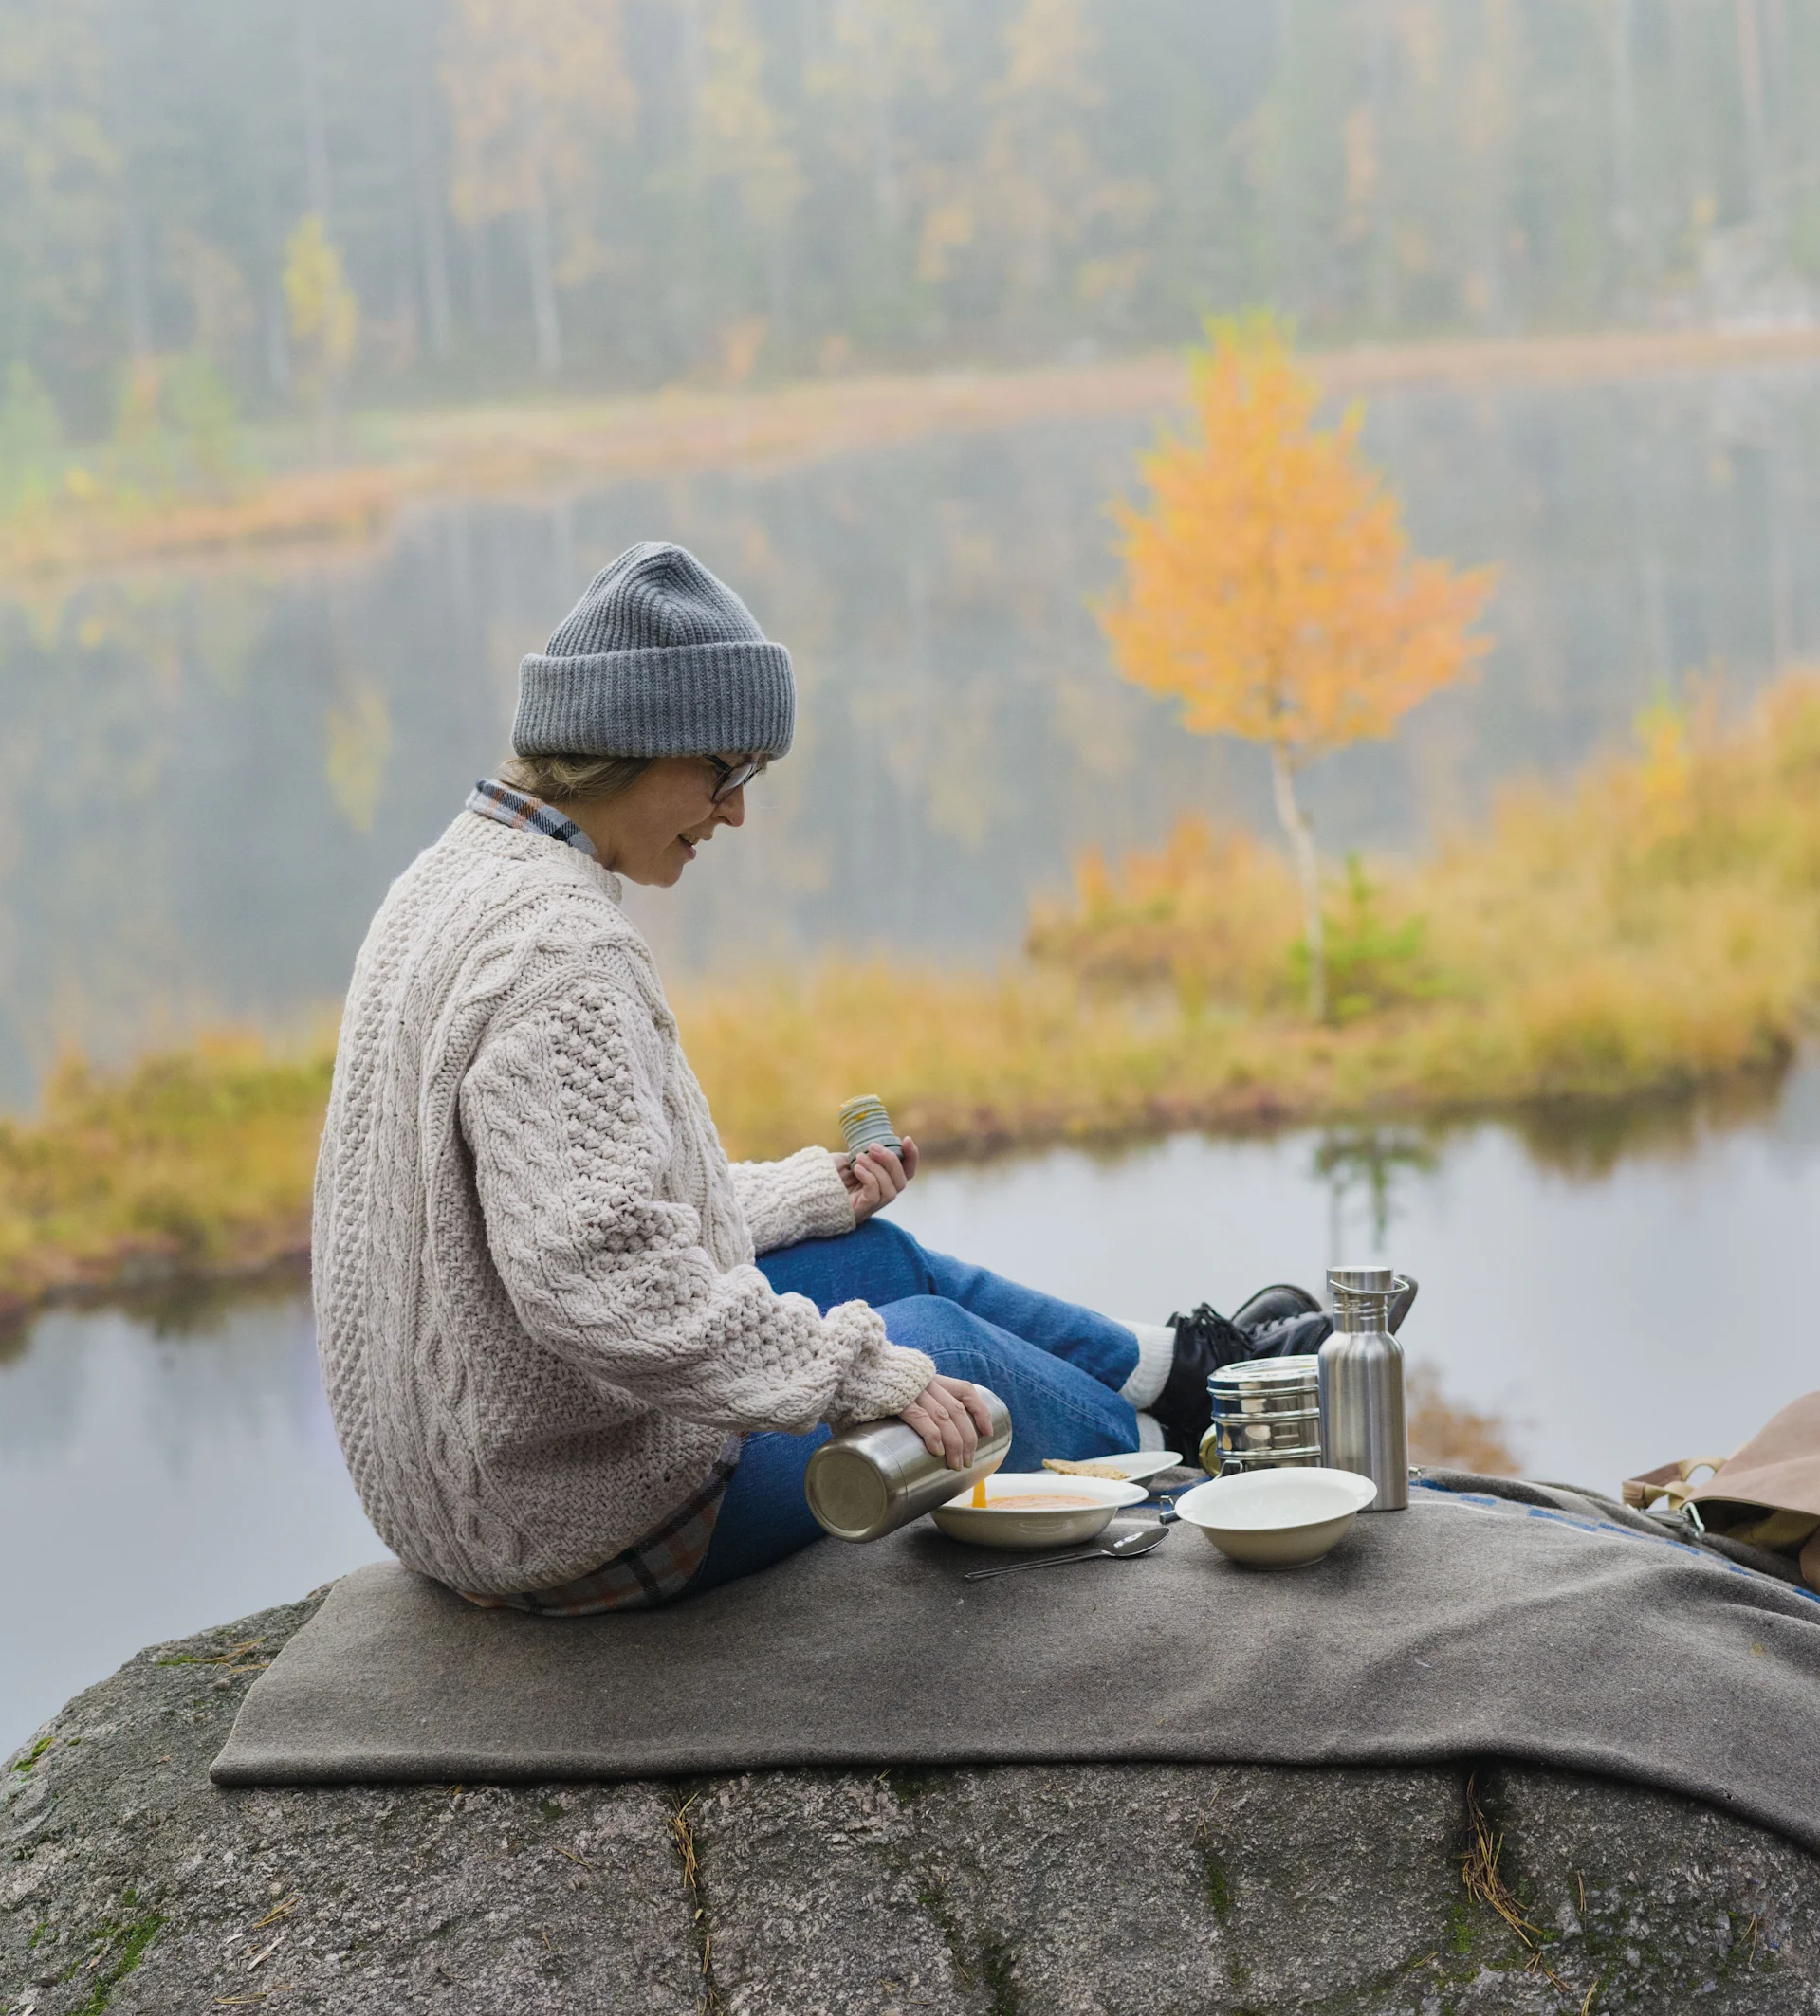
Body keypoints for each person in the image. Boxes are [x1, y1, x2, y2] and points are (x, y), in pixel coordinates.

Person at [313, 541, 1318, 1614]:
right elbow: (602, 1281)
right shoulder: (560, 952)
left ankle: (1184, 1368)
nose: (736, 811)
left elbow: (558, 1207)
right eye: (725, 771)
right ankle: (1199, 1459)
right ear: (637, 746)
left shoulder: (449, 882)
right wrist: (859, 1379)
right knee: (930, 1350)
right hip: (568, 1517)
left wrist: (804, 1195)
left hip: (463, 1483)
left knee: (873, 1252)